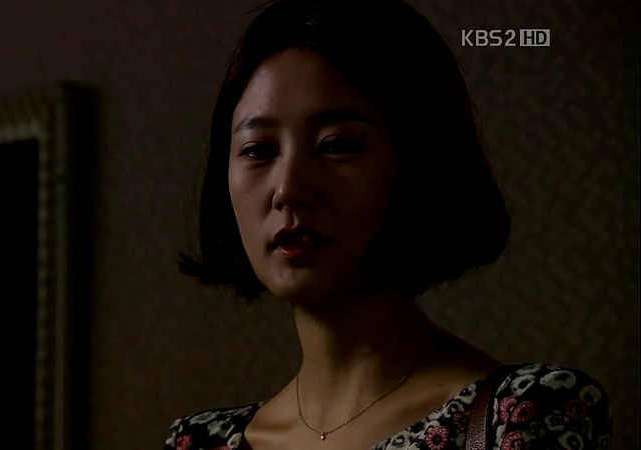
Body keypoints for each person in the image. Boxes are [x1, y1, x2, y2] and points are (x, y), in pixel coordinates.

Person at [167, 0, 613, 449]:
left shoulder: (521, 414)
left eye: (336, 145)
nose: (288, 189)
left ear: (420, 162)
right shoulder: (200, 441)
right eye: (257, 151)